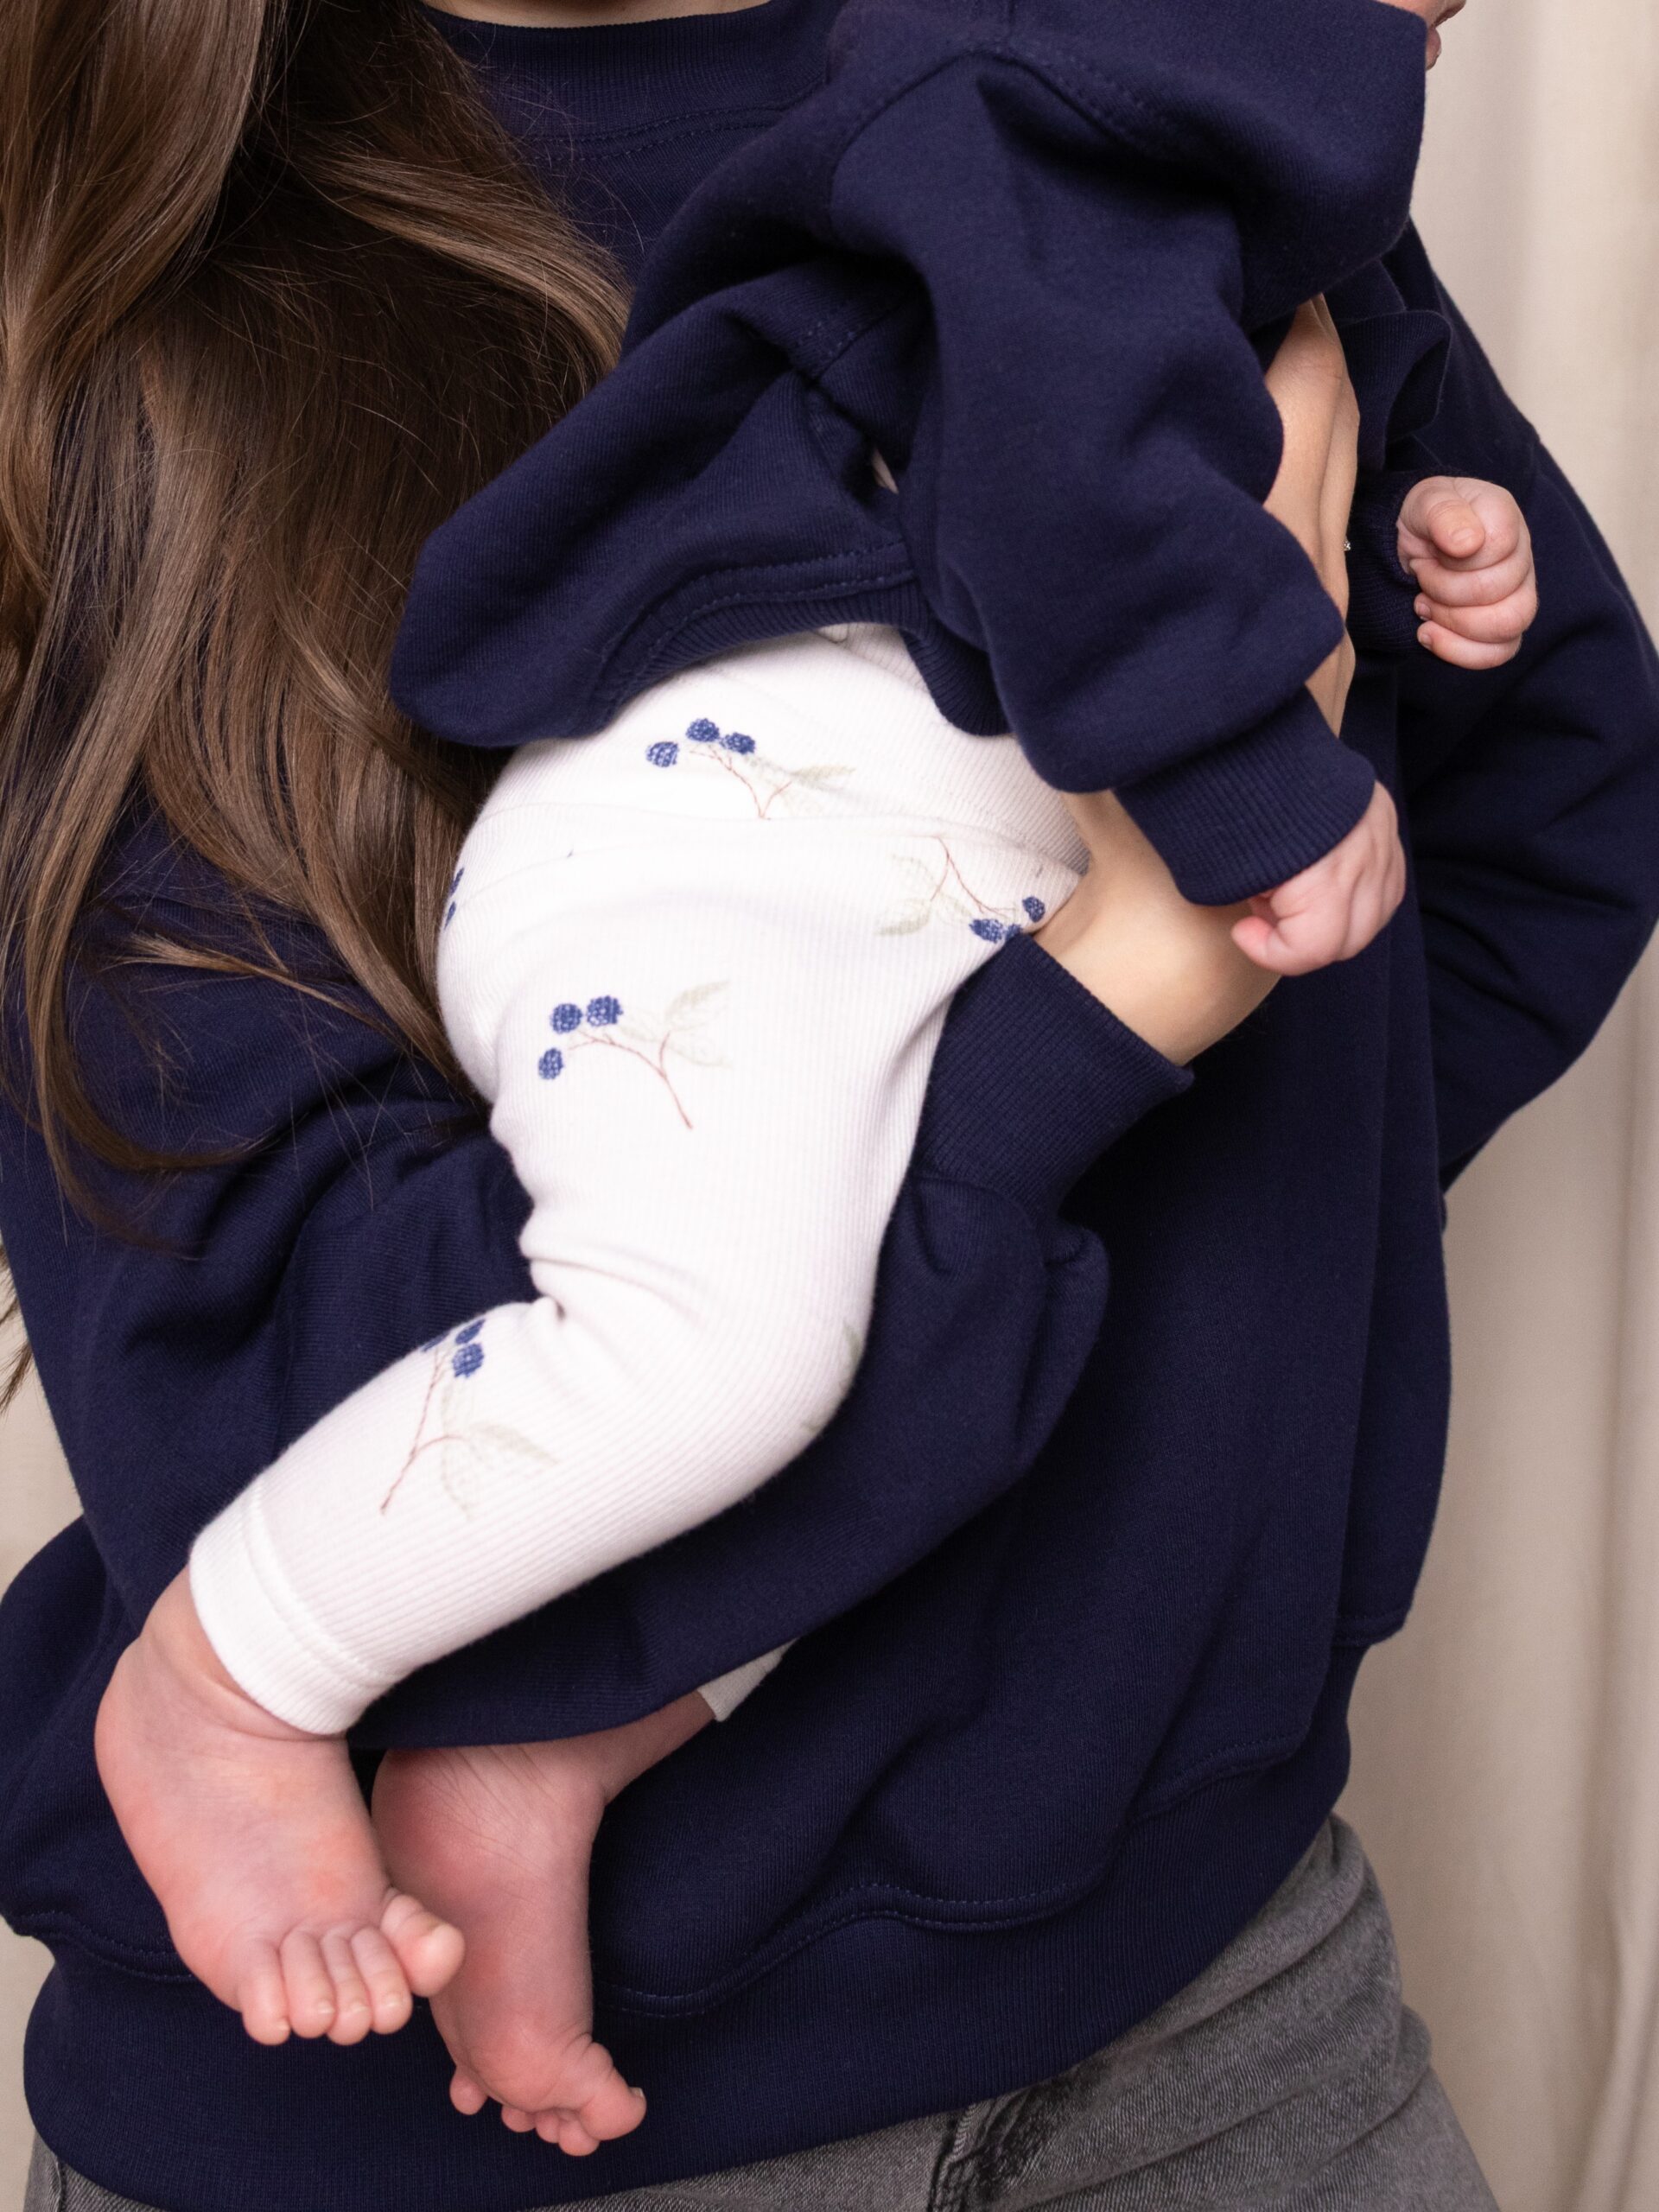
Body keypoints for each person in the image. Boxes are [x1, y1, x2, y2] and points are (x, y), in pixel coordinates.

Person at [3, 3, 1656, 2209]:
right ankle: (229, 1682)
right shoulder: (181, 318)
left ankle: (555, 1747)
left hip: (1223, 1999)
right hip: (422, 2144)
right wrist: (1128, 998)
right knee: (721, 1332)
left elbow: (1541, 811)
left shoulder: (1183, 96)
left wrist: (1144, 1284)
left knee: (794, 1339)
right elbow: (279, 1402)